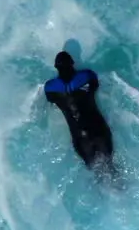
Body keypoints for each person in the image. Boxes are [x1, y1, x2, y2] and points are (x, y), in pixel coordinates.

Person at [44, 50, 118, 179]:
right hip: (99, 130)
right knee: (110, 166)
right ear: (73, 63)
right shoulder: (87, 75)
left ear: (56, 67)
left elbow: (50, 99)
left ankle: (103, 193)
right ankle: (121, 189)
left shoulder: (50, 87)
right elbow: (95, 85)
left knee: (97, 173)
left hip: (80, 138)